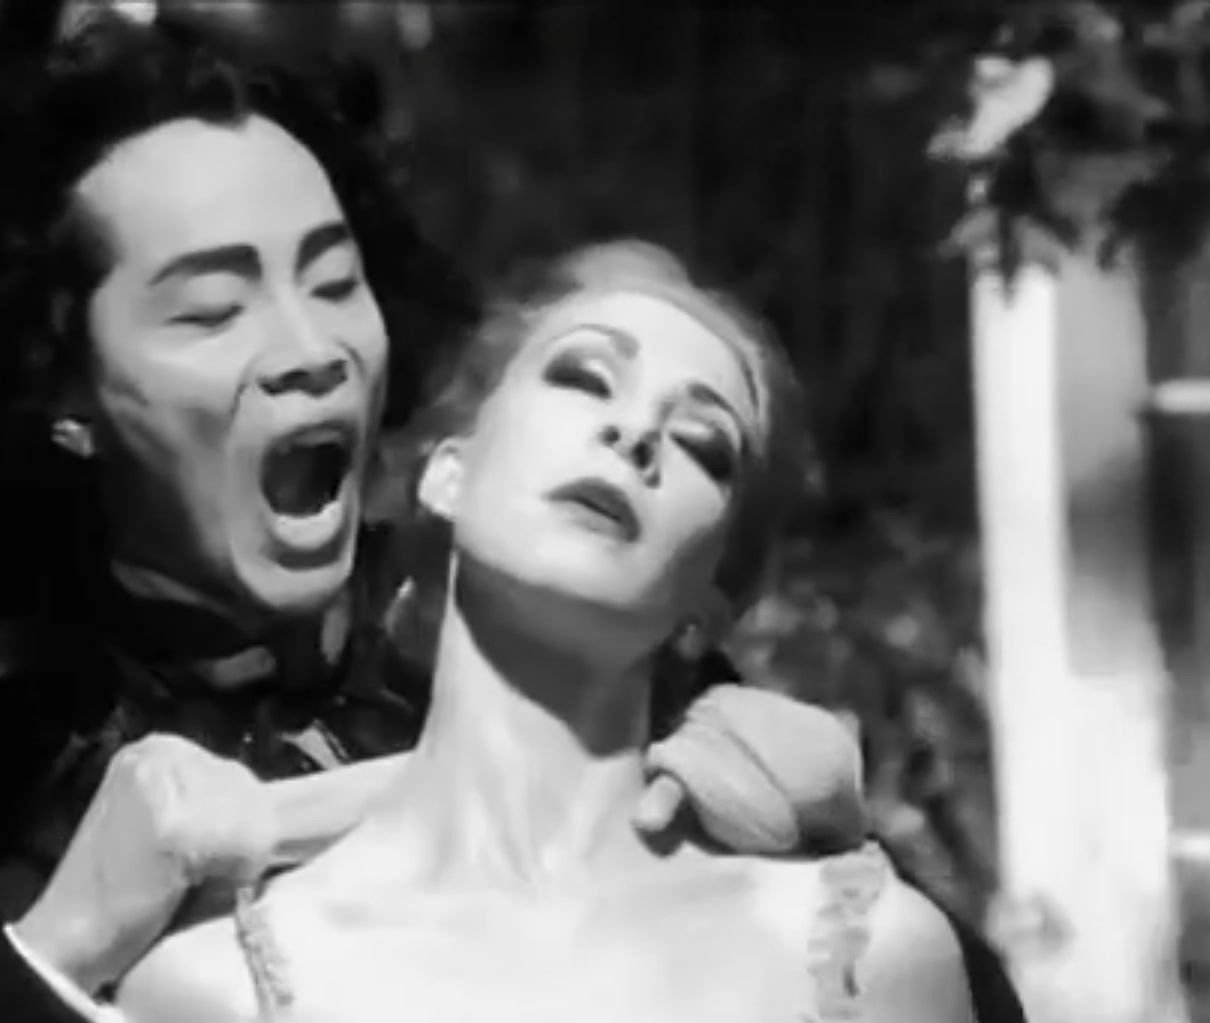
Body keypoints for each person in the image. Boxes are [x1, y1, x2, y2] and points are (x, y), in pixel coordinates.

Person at [0, 11, 872, 1023]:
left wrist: (798, 809)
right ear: (65, 394)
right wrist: (62, 945)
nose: (310, 349)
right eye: (213, 310)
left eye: (337, 283)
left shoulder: (523, 619)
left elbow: (872, 960)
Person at [114, 242, 1018, 1023]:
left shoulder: (863, 951)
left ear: (708, 605)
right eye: (584, 378)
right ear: (448, 474)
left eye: (703, 443)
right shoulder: (214, 987)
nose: (636, 431)